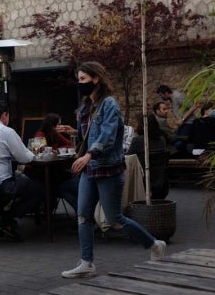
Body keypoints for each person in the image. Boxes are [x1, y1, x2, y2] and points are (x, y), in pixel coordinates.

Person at [61, 62, 166, 279]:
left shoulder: (109, 104)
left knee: (115, 220)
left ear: (95, 79)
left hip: (108, 169)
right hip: (90, 170)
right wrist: (75, 133)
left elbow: (107, 136)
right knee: (83, 216)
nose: (80, 84)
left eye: (83, 79)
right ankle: (87, 262)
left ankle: (154, 244)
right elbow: (90, 135)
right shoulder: (85, 108)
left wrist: (89, 154)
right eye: (78, 80)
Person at [0, 101, 45, 223]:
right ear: (5, 115)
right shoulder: (6, 131)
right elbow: (24, 158)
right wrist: (34, 153)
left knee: (24, 182)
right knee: (40, 188)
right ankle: (5, 216)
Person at [156, 84, 196, 155]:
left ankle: (188, 157)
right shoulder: (171, 99)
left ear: (166, 93)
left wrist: (182, 119)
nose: (161, 97)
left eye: (161, 95)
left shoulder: (178, 96)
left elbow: (193, 107)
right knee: (174, 141)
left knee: (179, 144)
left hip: (189, 123)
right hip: (183, 124)